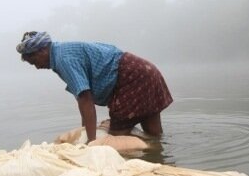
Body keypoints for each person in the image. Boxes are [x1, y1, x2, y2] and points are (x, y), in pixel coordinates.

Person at [16, 31, 172, 143]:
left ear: (42, 50)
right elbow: (82, 99)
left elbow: (85, 99)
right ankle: (159, 155)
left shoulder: (63, 59)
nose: (37, 67)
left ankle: (148, 153)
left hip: (130, 78)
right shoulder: (63, 51)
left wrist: (91, 142)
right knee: (155, 136)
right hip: (146, 70)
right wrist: (85, 133)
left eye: (34, 61)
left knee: (116, 138)